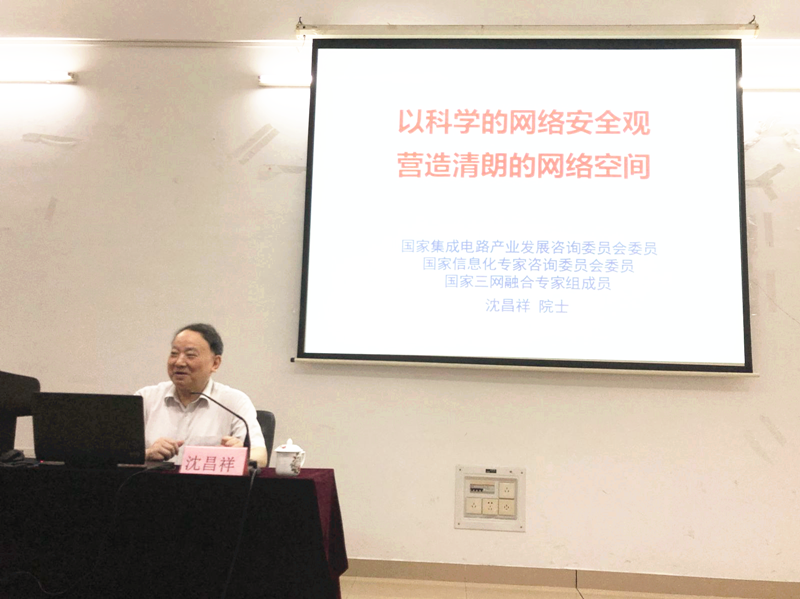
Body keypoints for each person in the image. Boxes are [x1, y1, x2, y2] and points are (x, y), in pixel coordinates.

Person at [137, 324, 268, 467]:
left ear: (215, 363)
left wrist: (239, 455)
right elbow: (119, 454)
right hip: (152, 480)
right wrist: (147, 453)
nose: (179, 362)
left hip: (209, 481)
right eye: (174, 353)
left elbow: (260, 457)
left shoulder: (234, 402)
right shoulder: (145, 398)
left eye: (190, 355)